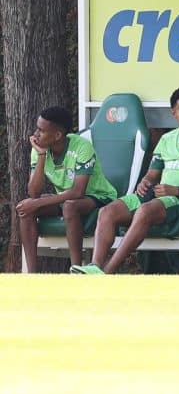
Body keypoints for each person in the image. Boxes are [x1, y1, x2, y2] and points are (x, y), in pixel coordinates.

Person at [72, 88, 179, 274]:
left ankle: (108, 272)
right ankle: (95, 266)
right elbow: (152, 175)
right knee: (107, 211)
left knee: (145, 211)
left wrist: (177, 190)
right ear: (174, 114)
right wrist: (145, 181)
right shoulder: (166, 140)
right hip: (160, 195)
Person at [18, 106, 117, 273]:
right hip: (66, 198)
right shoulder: (39, 148)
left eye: (41, 130)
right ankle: (32, 275)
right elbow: (34, 193)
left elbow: (78, 192)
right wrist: (41, 155)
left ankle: (76, 269)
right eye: (37, 128)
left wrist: (38, 202)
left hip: (98, 196)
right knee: (26, 209)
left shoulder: (82, 147)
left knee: (70, 206)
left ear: (57, 135)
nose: (35, 134)